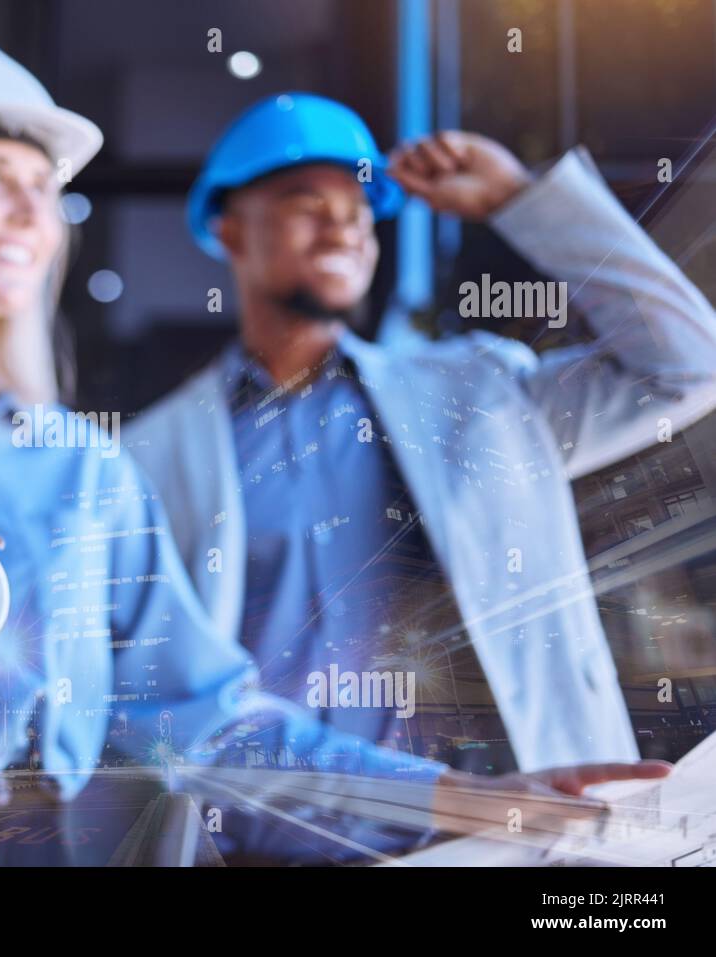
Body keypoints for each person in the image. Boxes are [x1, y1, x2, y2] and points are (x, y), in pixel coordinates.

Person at [0, 40, 670, 863]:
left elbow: (209, 723)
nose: (31, 215)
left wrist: (482, 801)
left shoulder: (89, 474)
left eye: (44, 192)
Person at [129, 92, 716, 774]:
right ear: (229, 228)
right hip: (289, 835)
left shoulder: (483, 392)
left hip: (517, 826)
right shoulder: (152, 456)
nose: (342, 229)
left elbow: (689, 367)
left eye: (358, 214)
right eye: (306, 204)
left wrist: (521, 201)